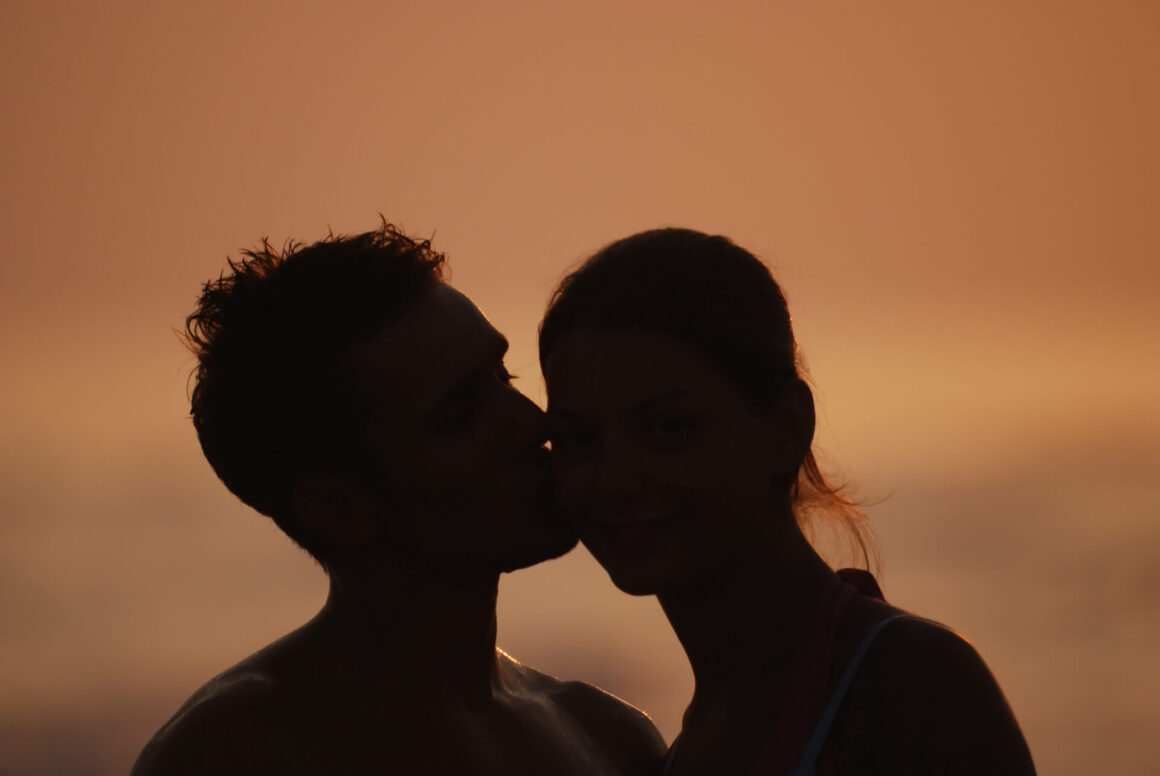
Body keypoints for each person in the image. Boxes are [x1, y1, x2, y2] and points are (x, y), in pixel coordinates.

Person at [132, 222, 666, 775]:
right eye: (459, 417)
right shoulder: (234, 755)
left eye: (502, 377)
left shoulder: (612, 740)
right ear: (339, 508)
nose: (533, 423)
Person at [539, 228, 1037, 775]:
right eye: (577, 439)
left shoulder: (910, 686)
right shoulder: (678, 750)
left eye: (666, 429)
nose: (614, 480)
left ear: (785, 429)